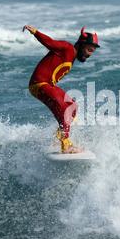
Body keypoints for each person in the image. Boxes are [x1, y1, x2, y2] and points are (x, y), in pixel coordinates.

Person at [23, 25, 100, 153]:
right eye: (89, 50)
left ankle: (59, 137)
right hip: (39, 84)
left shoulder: (72, 56)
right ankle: (65, 145)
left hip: (48, 85)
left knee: (73, 107)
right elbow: (50, 42)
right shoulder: (66, 48)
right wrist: (35, 32)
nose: (90, 54)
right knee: (65, 109)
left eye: (92, 51)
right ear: (81, 45)